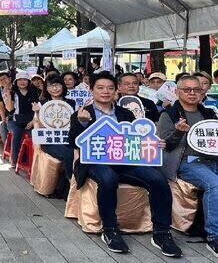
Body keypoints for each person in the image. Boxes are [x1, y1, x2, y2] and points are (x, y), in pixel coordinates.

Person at [68, 72, 182, 257]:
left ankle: (162, 233)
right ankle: (110, 230)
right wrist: (81, 125)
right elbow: (73, 143)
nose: (105, 92)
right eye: (100, 87)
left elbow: (135, 140)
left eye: (110, 88)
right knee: (108, 178)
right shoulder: (81, 113)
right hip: (95, 162)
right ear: (91, 90)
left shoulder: (125, 113)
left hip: (125, 161)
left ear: (116, 91)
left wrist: (154, 143)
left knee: (158, 180)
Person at [157, 75, 218, 256]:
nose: (192, 93)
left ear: (202, 92)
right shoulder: (169, 114)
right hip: (185, 162)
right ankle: (214, 236)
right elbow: (165, 145)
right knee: (214, 185)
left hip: (211, 159)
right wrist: (177, 132)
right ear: (177, 92)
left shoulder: (209, 113)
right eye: (187, 89)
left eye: (196, 90)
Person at [32, 75, 76, 198]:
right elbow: (39, 126)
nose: (55, 88)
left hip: (68, 139)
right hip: (50, 140)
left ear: (63, 86)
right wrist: (37, 112)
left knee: (72, 151)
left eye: (58, 85)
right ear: (46, 88)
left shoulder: (71, 103)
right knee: (68, 153)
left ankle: (66, 187)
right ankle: (71, 182)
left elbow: (74, 124)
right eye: (51, 86)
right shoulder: (42, 104)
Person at [4, 71, 39, 168]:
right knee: (17, 135)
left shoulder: (33, 93)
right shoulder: (12, 93)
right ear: (16, 82)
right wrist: (9, 96)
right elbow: (9, 109)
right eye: (20, 80)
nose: (22, 82)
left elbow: (37, 109)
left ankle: (34, 161)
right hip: (15, 120)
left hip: (31, 120)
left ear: (28, 81)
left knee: (36, 136)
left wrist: (32, 122)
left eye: (25, 80)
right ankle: (14, 160)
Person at [0, 71, 12, 145]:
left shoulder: (16, 87)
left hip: (17, 114)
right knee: (2, 124)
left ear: (10, 79)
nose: (3, 81)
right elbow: (0, 106)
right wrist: (3, 117)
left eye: (4, 78)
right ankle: (7, 145)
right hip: (8, 114)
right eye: (0, 80)